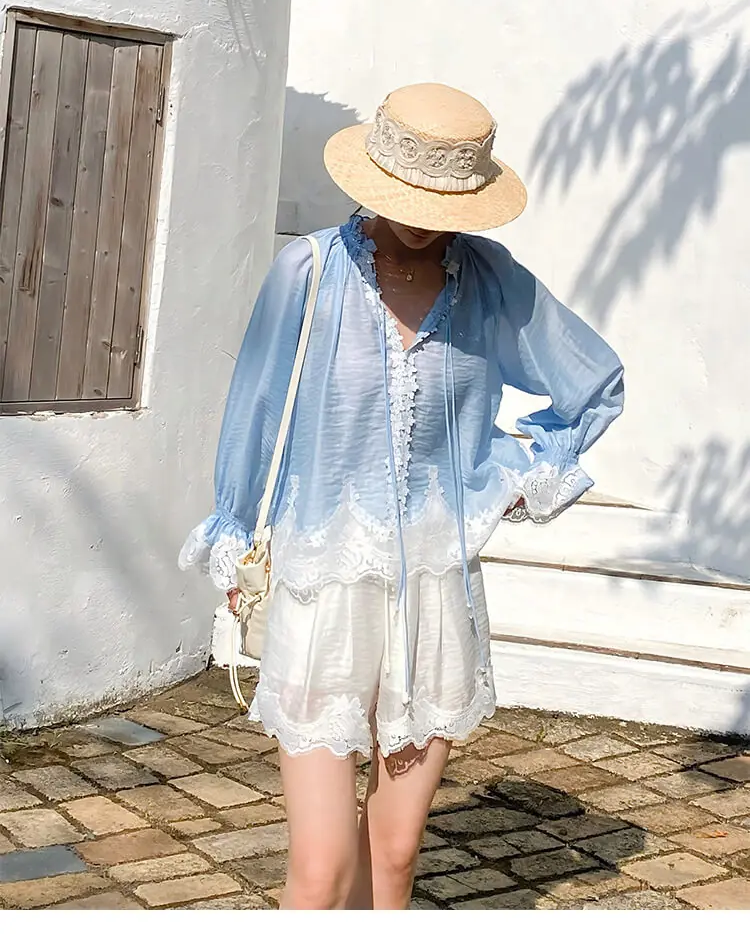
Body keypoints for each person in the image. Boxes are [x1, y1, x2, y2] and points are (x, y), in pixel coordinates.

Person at [179, 83, 624, 910]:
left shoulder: (489, 283)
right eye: (410, 196)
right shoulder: (310, 272)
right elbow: (255, 410)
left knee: (394, 855)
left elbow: (593, 385)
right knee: (320, 870)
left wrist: (508, 478)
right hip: (323, 586)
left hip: (433, 591)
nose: (422, 220)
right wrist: (235, 530)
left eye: (441, 202)